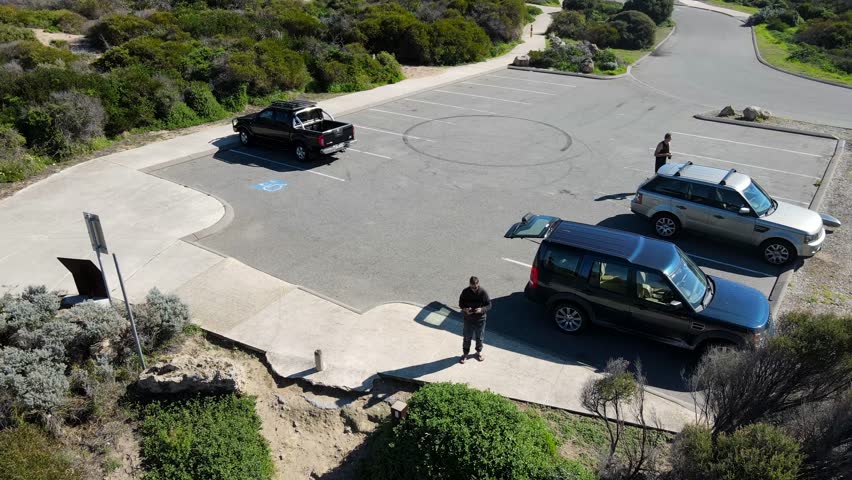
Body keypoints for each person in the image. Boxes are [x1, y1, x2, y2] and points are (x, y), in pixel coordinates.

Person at [458, 276, 491, 364]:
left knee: (479, 337)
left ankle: (478, 352)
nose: (474, 289)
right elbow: (461, 304)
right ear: (469, 284)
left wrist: (481, 310)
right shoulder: (465, 292)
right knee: (467, 337)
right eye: (472, 287)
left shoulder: (483, 292)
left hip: (480, 319)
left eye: (475, 287)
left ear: (478, 284)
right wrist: (465, 309)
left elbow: (489, 305)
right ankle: (465, 354)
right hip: (468, 319)